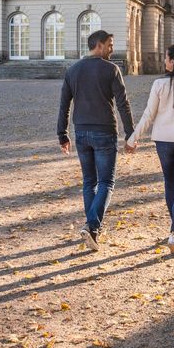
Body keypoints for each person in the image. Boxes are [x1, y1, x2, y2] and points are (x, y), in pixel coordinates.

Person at [57, 30, 135, 251]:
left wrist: (62, 134)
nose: (112, 48)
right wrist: (130, 133)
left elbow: (64, 105)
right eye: (110, 44)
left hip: (81, 132)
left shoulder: (73, 70)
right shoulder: (111, 69)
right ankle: (91, 226)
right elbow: (123, 103)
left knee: (89, 182)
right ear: (99, 45)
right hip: (104, 132)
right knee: (106, 182)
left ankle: (92, 229)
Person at [126, 44, 174, 256]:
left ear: (173, 62)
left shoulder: (159, 84)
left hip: (164, 141)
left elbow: (148, 115)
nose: (164, 61)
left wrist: (133, 139)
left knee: (170, 183)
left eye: (167, 58)